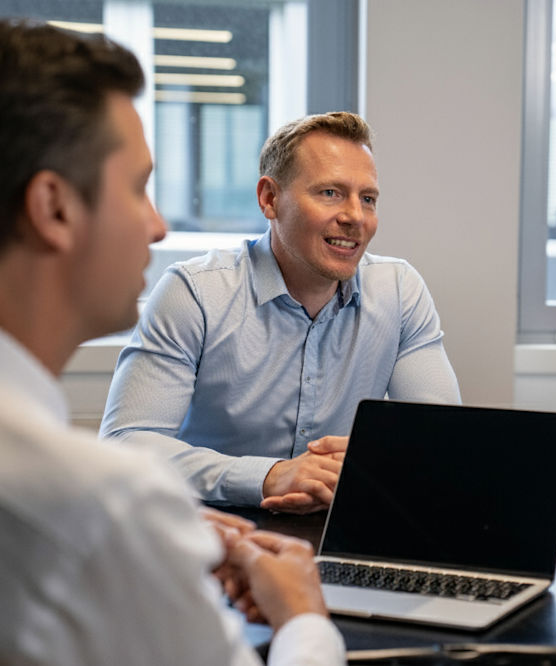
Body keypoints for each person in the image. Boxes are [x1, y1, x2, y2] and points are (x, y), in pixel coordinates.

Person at [0, 20, 344, 664]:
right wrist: (302, 615)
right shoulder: (99, 502)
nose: (157, 226)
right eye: (137, 188)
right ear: (53, 208)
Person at [100, 111, 461, 514]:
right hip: (213, 530)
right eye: (330, 193)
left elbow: (440, 442)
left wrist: (375, 459)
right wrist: (269, 476)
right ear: (270, 199)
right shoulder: (195, 292)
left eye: (368, 199)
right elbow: (127, 442)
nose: (355, 217)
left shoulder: (399, 291)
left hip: (339, 528)